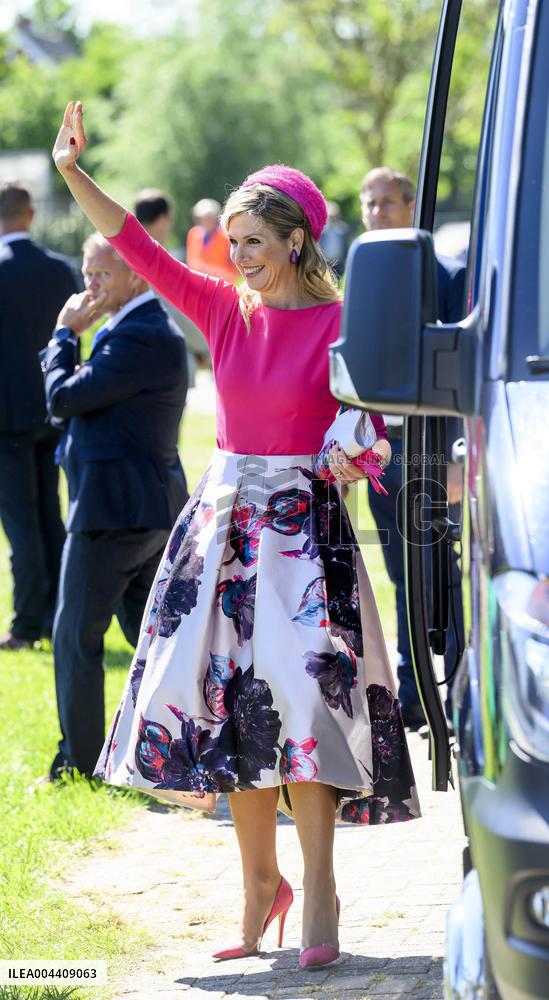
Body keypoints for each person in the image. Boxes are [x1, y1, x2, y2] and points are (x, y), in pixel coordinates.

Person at [52, 101, 421, 969]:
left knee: (303, 710)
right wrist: (73, 172)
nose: (240, 256)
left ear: (296, 240)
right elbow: (137, 247)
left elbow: (381, 418)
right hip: (221, 537)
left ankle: (320, 886)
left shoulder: (340, 324)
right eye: (236, 242)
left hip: (305, 539)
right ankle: (260, 890)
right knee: (227, 712)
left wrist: (358, 441)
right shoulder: (220, 310)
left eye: (256, 241)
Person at [40, 230, 189, 780]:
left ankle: (79, 764)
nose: (90, 287)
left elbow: (62, 399)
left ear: (138, 276)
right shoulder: (132, 328)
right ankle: (180, 749)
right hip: (135, 511)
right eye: (87, 274)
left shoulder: (142, 335)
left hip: (114, 514)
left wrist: (62, 335)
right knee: (148, 640)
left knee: (75, 638)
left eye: (102, 274)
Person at [359, 166, 465, 729]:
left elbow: (457, 370)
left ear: (411, 206)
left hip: (431, 450)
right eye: (369, 204)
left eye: (387, 204)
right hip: (381, 452)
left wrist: (454, 457)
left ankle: (460, 685)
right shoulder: (360, 278)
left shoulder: (448, 277)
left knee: (438, 571)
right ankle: (415, 693)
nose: (377, 213)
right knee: (404, 573)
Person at [0, 182, 78, 650]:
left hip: (5, 417)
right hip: (52, 409)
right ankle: (56, 614)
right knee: (51, 515)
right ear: (30, 215)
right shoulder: (60, 270)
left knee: (21, 523)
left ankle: (29, 623)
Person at [134, 188, 209, 384]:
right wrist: (206, 347)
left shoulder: (126, 251)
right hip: (160, 365)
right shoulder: (154, 259)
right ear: (162, 219)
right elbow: (173, 313)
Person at [186, 197, 237, 283]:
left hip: (221, 285)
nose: (206, 221)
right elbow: (190, 261)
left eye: (209, 218)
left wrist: (207, 270)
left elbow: (234, 269)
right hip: (198, 283)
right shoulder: (193, 233)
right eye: (202, 218)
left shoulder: (226, 237)